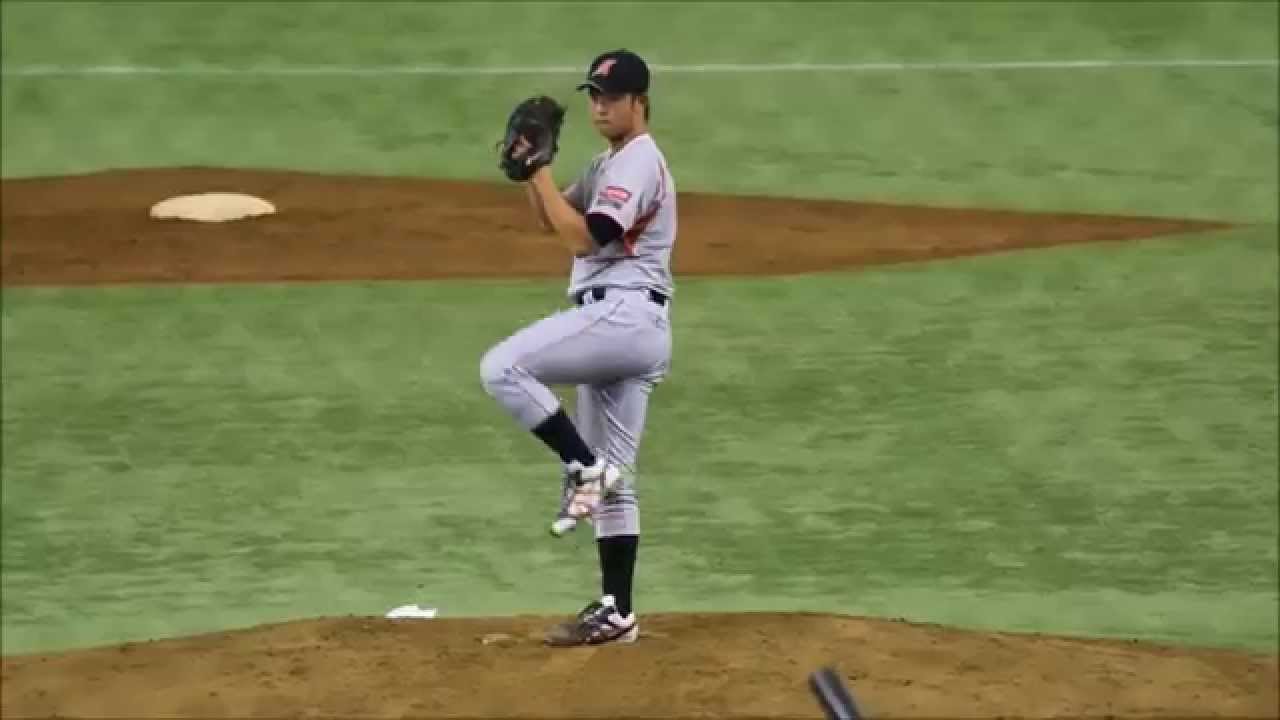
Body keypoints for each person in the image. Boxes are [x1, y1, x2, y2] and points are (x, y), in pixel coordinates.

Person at [479, 48, 677, 646]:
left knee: (503, 368)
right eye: (593, 95)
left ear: (639, 102)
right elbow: (551, 219)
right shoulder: (608, 163)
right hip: (634, 327)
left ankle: (580, 466)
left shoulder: (638, 162)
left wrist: (538, 170)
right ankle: (618, 612)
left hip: (622, 315)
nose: (599, 107)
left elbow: (587, 239)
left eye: (611, 97)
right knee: (618, 482)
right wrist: (530, 174)